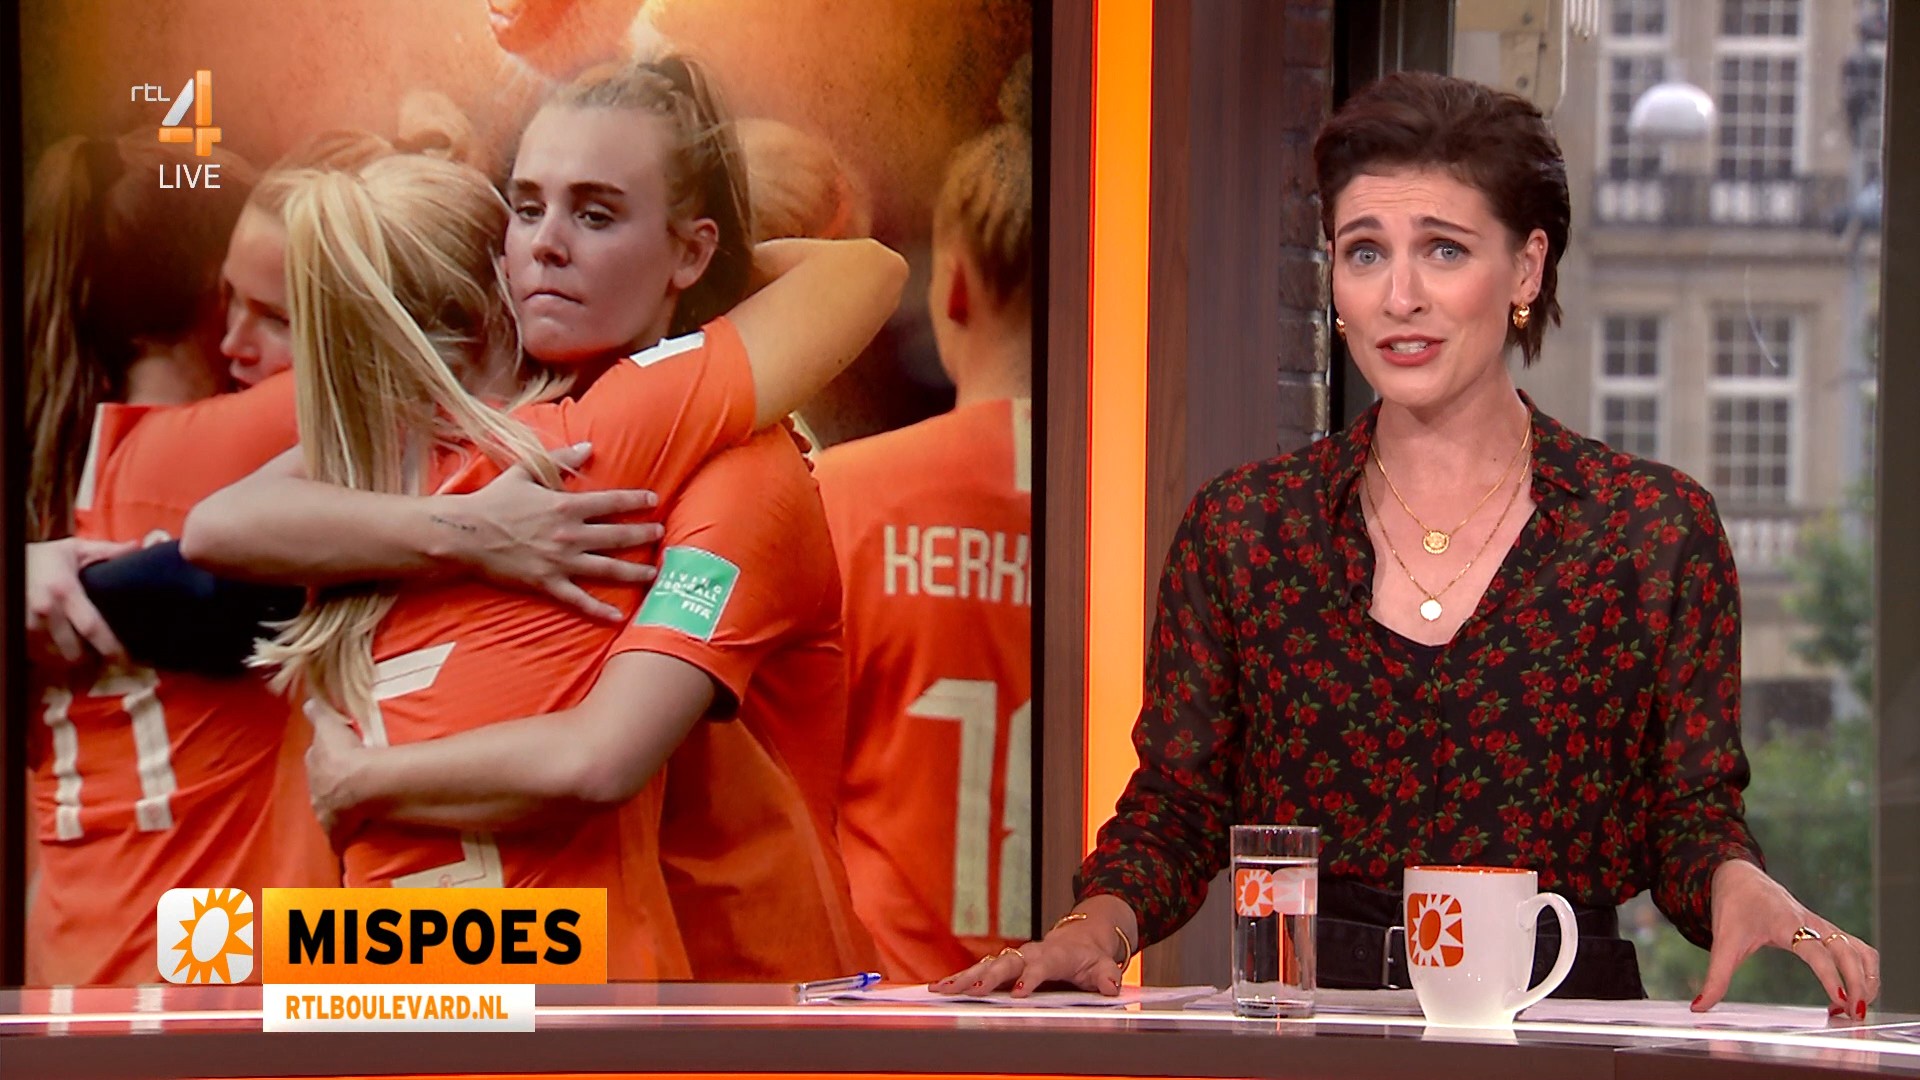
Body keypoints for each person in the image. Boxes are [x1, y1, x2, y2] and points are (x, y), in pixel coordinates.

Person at [940, 71, 1880, 1017]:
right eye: (1365, 252)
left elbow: (1691, 820)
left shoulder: (1651, 531)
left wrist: (1742, 885)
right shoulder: (1247, 529)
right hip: (1308, 1024)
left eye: (1443, 250)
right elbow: (1176, 812)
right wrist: (1088, 933)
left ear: (1526, 269)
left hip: (1561, 1026)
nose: (1400, 296)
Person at [184, 58, 903, 979]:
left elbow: (602, 757)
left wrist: (359, 781)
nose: (544, 247)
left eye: (596, 215)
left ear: (692, 251)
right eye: (524, 210)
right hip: (583, 981)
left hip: (755, 993)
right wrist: (475, 534)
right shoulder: (496, 449)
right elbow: (225, 522)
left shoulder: (716, 467)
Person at [815, 55, 1033, 982]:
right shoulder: (1137, 524)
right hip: (1083, 1007)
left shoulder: (844, 493)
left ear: (954, 286)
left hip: (889, 1003)